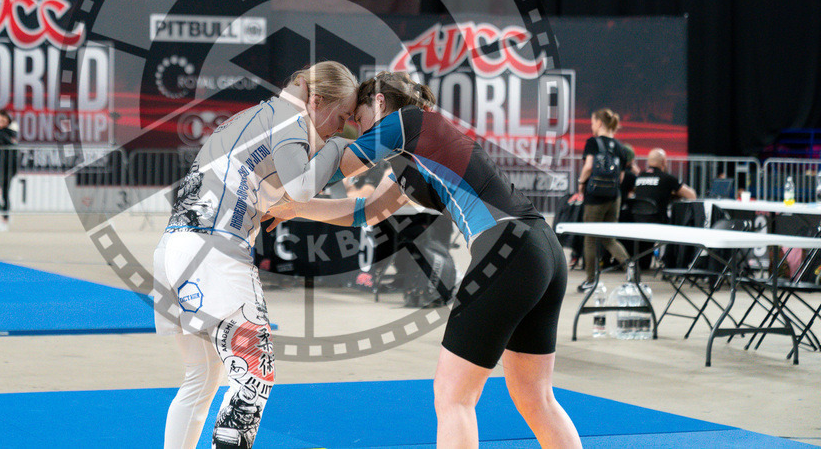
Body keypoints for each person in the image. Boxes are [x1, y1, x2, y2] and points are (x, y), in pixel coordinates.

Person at [266, 72, 581, 449]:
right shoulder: (418, 157)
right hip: (542, 250)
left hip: (508, 250)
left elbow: (346, 164)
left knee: (453, 397)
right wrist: (296, 208)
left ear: (380, 103)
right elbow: (368, 211)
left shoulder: (407, 120)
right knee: (536, 397)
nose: (357, 129)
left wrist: (288, 158)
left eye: (360, 119)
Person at [153, 61, 358, 449]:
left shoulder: (256, 116)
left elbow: (277, 193)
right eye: (342, 115)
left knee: (200, 378)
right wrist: (337, 147)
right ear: (316, 99)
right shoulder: (290, 119)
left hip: (173, 251)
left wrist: (364, 205)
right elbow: (301, 187)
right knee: (252, 377)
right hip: (214, 253)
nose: (341, 125)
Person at [574, 108, 631, 291]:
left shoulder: (593, 142)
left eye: (592, 122)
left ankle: (591, 281)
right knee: (609, 239)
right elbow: (621, 178)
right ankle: (631, 269)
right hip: (614, 197)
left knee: (590, 239)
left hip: (595, 197)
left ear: (599, 122)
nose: (591, 125)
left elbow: (589, 166)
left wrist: (581, 183)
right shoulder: (620, 147)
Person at [632, 148, 697, 219]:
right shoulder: (667, 178)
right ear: (664, 162)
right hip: (659, 222)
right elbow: (692, 195)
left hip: (637, 220)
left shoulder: (639, 177)